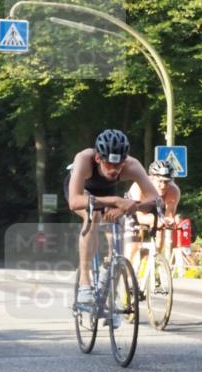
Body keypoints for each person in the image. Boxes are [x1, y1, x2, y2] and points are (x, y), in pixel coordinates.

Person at [65, 129, 158, 304]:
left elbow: (154, 198)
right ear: (98, 158)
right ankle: (85, 281)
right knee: (93, 216)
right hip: (83, 192)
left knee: (116, 232)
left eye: (119, 165)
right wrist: (116, 200)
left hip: (107, 193)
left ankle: (110, 295)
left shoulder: (132, 165)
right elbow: (74, 201)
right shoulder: (84, 159)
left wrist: (126, 207)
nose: (115, 170)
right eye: (109, 164)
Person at [126, 160, 181, 271]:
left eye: (166, 182)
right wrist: (157, 221)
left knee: (160, 236)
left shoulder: (174, 191)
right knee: (134, 247)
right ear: (152, 178)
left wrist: (170, 221)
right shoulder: (139, 187)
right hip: (134, 209)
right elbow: (140, 218)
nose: (163, 186)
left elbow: (168, 215)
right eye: (160, 181)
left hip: (155, 207)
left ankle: (151, 267)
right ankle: (128, 278)